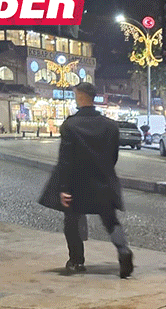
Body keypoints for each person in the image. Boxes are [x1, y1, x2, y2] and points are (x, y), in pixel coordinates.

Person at [41, 82, 134, 278]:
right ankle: (123, 250)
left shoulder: (70, 125)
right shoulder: (110, 126)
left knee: (72, 221)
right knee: (111, 220)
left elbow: (65, 160)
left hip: (77, 183)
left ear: (80, 97)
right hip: (104, 181)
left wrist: (64, 187)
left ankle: (76, 261)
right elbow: (113, 156)